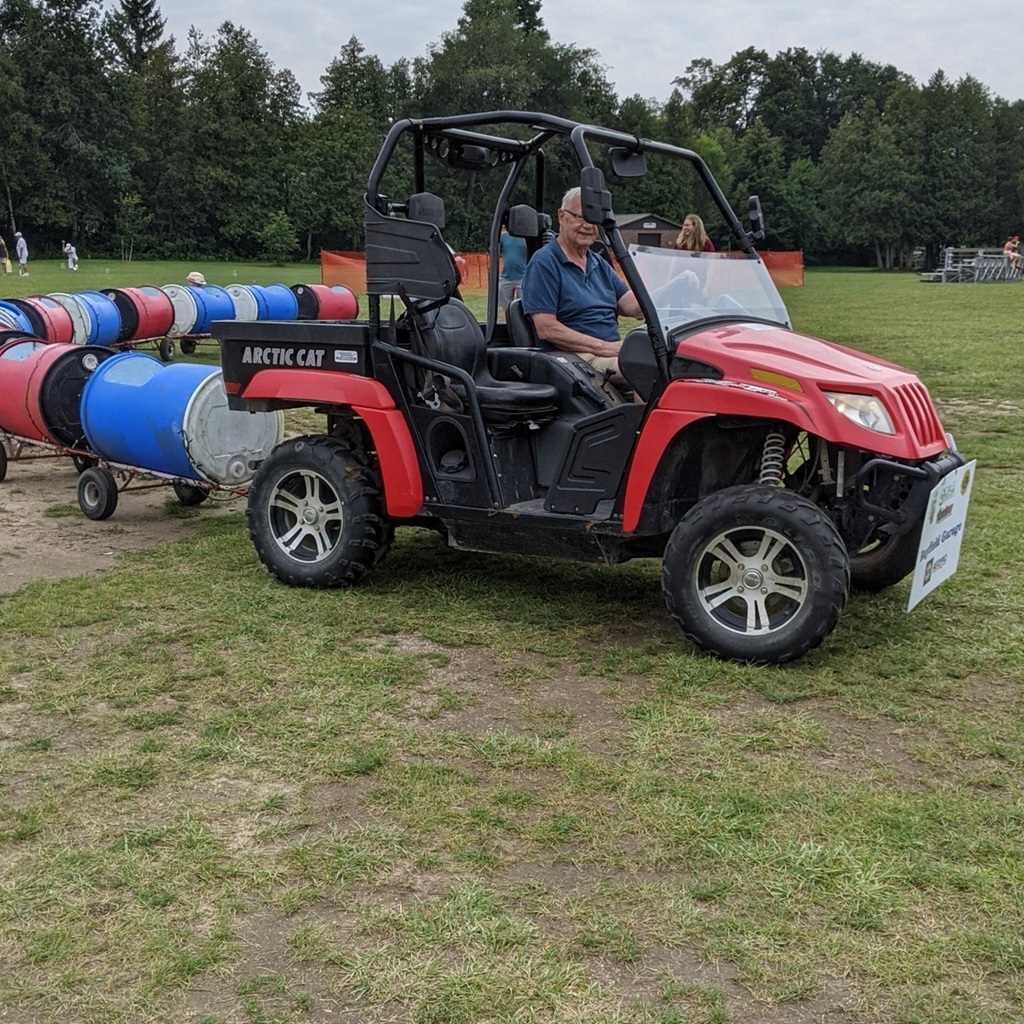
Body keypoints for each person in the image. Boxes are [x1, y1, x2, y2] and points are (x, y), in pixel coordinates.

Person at [521, 186, 644, 384]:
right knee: (647, 368)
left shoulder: (598, 262)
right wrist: (604, 347)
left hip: (609, 352)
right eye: (581, 217)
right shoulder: (544, 263)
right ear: (561, 216)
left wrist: (673, 288)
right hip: (575, 359)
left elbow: (633, 306)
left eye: (594, 219)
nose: (588, 225)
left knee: (672, 360)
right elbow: (546, 328)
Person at [497, 224, 527, 318]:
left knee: (523, 307)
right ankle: (507, 327)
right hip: (506, 277)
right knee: (506, 308)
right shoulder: (503, 237)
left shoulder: (526, 238)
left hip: (522, 278)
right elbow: (494, 251)